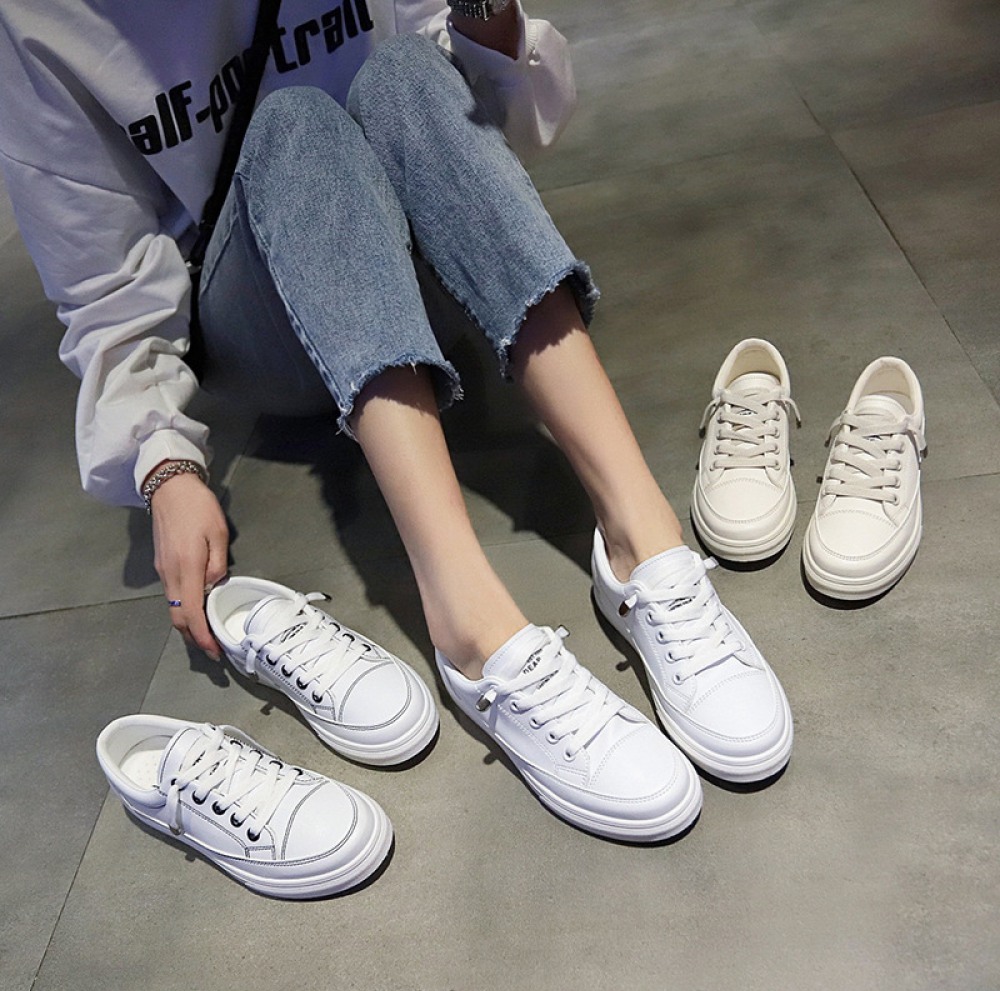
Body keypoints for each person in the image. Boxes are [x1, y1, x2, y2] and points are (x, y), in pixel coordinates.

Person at [1, 0, 792, 847]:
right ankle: (470, 625)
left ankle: (645, 543)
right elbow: (104, 286)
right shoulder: (45, 19)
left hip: (433, 273)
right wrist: (162, 458)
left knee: (412, 73)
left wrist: (489, 24)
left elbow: (497, 135)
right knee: (296, 125)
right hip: (271, 324)